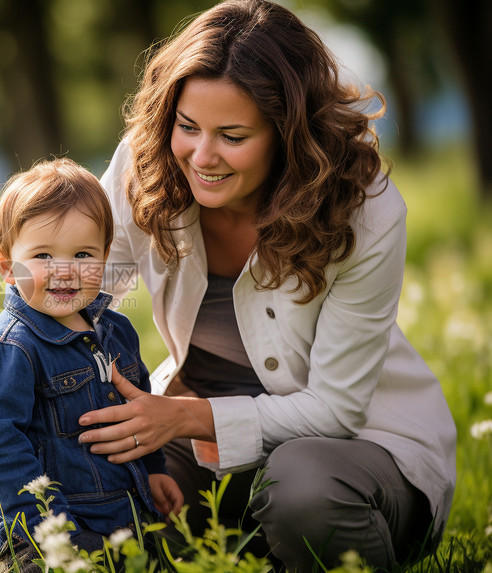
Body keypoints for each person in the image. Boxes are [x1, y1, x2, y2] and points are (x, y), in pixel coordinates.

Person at [76, 1, 457, 571]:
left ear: (289, 133)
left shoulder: (364, 209)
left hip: (356, 455)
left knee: (301, 491)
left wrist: (183, 417)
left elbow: (335, 410)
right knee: (97, 485)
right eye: (187, 127)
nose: (201, 157)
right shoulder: (148, 165)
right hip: (203, 443)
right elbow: (83, 285)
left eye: (232, 136)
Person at [0, 157, 183, 572]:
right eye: (43, 255)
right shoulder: (11, 348)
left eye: (83, 254)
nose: (65, 271)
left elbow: (138, 410)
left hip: (129, 519)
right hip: (49, 535)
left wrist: (153, 470)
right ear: (7, 266)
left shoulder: (116, 331)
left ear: (105, 257)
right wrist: (48, 525)